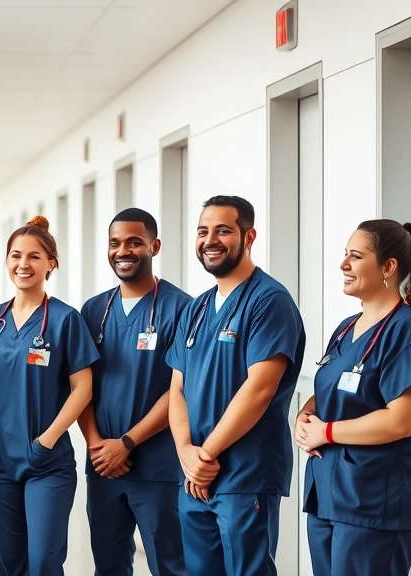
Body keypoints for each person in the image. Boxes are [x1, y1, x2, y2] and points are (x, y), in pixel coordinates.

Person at [164, 195, 305, 576]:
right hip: (194, 474)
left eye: (223, 230)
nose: (210, 240)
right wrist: (185, 453)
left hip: (244, 473)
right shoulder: (196, 309)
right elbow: (176, 388)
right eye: (202, 231)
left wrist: (205, 456)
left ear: (249, 236)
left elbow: (259, 390)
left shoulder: (269, 301)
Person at [295, 220, 411, 576]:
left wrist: (325, 432)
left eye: (355, 256)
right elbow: (332, 387)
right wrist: (305, 417)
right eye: (345, 255)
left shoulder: (407, 330)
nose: (343, 264)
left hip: (375, 501)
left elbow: (401, 420)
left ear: (388, 267)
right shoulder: (346, 327)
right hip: (329, 494)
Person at [0, 216, 97, 576]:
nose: (23, 264)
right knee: (11, 563)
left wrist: (46, 440)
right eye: (15, 255)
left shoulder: (64, 320)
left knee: (43, 561)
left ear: (51, 264)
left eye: (34, 256)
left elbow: (83, 388)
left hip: (45, 461)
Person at [78, 208, 189, 576]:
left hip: (156, 466)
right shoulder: (94, 310)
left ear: (154, 246)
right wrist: (97, 446)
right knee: (108, 565)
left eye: (134, 242)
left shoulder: (182, 308)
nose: (122, 251)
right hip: (103, 467)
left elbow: (179, 390)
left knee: (168, 564)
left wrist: (125, 443)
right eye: (114, 243)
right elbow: (81, 387)